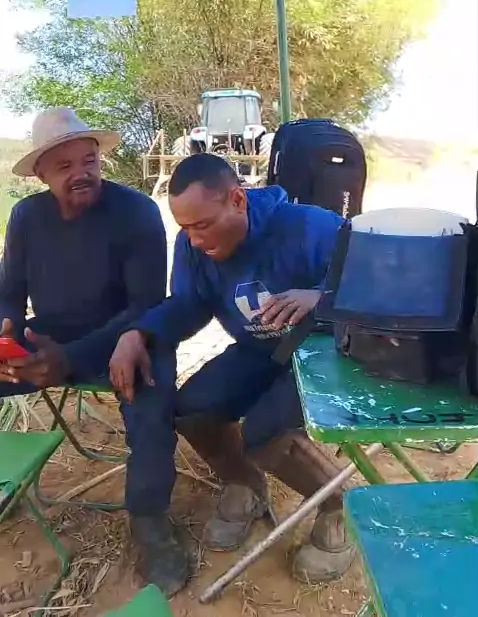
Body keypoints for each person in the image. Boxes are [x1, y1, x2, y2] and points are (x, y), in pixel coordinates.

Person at [6, 152, 353, 594]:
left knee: (265, 433)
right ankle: (244, 484)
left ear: (237, 200)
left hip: (321, 354)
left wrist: (320, 298)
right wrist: (138, 332)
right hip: (259, 350)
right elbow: (188, 305)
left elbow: (376, 285)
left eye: (202, 225)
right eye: (185, 228)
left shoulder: (310, 227)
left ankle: (337, 508)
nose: (194, 239)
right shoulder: (193, 246)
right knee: (192, 409)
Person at [0, 108, 180, 593]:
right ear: (40, 174)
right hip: (51, 339)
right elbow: (9, 293)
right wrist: (8, 337)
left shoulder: (136, 212)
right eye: (64, 166)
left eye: (89, 160)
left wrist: (71, 359)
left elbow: (147, 303)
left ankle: (149, 521)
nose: (82, 173)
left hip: (128, 336)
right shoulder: (26, 217)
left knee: (152, 399)